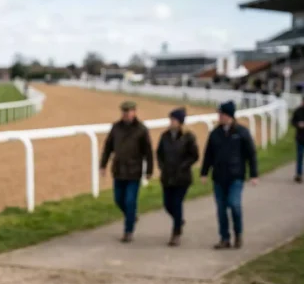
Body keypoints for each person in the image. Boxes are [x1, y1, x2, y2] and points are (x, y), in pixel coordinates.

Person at [200, 101, 259, 249]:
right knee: (221, 209)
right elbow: (208, 154)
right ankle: (224, 238)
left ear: (229, 116)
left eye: (221, 114)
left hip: (235, 176)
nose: (219, 116)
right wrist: (204, 172)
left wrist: (253, 174)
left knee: (234, 205)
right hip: (219, 177)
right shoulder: (215, 133)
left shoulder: (241, 133)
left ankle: (238, 234)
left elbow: (251, 154)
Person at [100, 100, 154, 243]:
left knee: (130, 201)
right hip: (118, 170)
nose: (125, 114)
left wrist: (149, 170)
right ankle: (131, 216)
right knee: (118, 199)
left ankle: (128, 231)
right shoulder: (116, 128)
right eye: (123, 111)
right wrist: (103, 165)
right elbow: (108, 147)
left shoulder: (141, 130)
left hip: (134, 171)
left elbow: (148, 152)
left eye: (128, 111)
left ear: (134, 112)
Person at [156, 107, 199, 246]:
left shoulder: (188, 137)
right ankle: (178, 220)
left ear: (180, 122)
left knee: (176, 203)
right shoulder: (165, 136)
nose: (171, 122)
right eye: (171, 119)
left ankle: (176, 233)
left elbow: (195, 156)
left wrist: (183, 166)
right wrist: (162, 166)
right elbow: (159, 153)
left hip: (182, 177)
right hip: (167, 176)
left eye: (174, 120)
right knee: (167, 204)